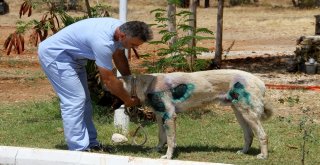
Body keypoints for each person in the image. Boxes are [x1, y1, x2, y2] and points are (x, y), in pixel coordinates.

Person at [38, 17, 153, 151]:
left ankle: (91, 144)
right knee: (75, 100)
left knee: (84, 100)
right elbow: (108, 80)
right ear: (123, 36)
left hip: (72, 59)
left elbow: (119, 56)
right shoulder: (103, 42)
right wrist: (127, 100)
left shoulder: (120, 29)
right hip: (56, 55)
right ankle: (78, 149)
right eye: (134, 44)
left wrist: (130, 83)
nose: (135, 48)